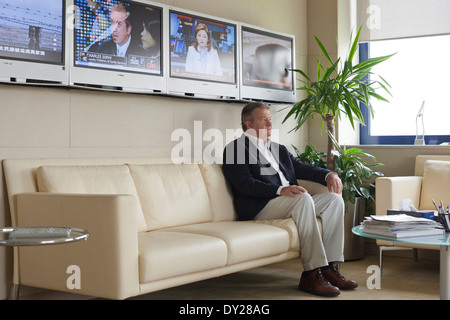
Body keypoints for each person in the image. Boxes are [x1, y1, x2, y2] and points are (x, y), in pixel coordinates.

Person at [222, 102, 358, 297]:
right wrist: (280, 190)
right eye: (263, 119)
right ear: (249, 124)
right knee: (302, 198)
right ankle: (311, 273)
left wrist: (328, 175)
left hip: (287, 202)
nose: (270, 124)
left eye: (270, 119)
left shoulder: (278, 149)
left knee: (334, 200)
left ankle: (328, 268)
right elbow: (244, 183)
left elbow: (301, 168)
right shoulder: (235, 149)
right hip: (259, 206)